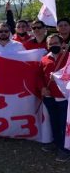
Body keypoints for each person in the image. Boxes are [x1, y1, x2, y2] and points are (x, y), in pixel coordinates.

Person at [39, 34, 70, 162]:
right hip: (49, 96)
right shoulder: (44, 59)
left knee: (64, 124)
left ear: (61, 43)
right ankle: (58, 144)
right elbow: (39, 76)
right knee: (54, 122)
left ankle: (65, 149)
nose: (53, 45)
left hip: (64, 98)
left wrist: (59, 77)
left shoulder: (68, 57)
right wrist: (42, 88)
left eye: (56, 42)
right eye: (50, 44)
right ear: (47, 46)